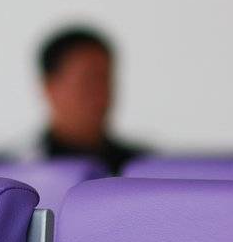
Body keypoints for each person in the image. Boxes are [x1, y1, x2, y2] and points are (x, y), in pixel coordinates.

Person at [30, 26, 146, 175]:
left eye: (104, 80)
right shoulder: (21, 173)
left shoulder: (140, 168)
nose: (99, 93)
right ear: (49, 87)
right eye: (87, 81)